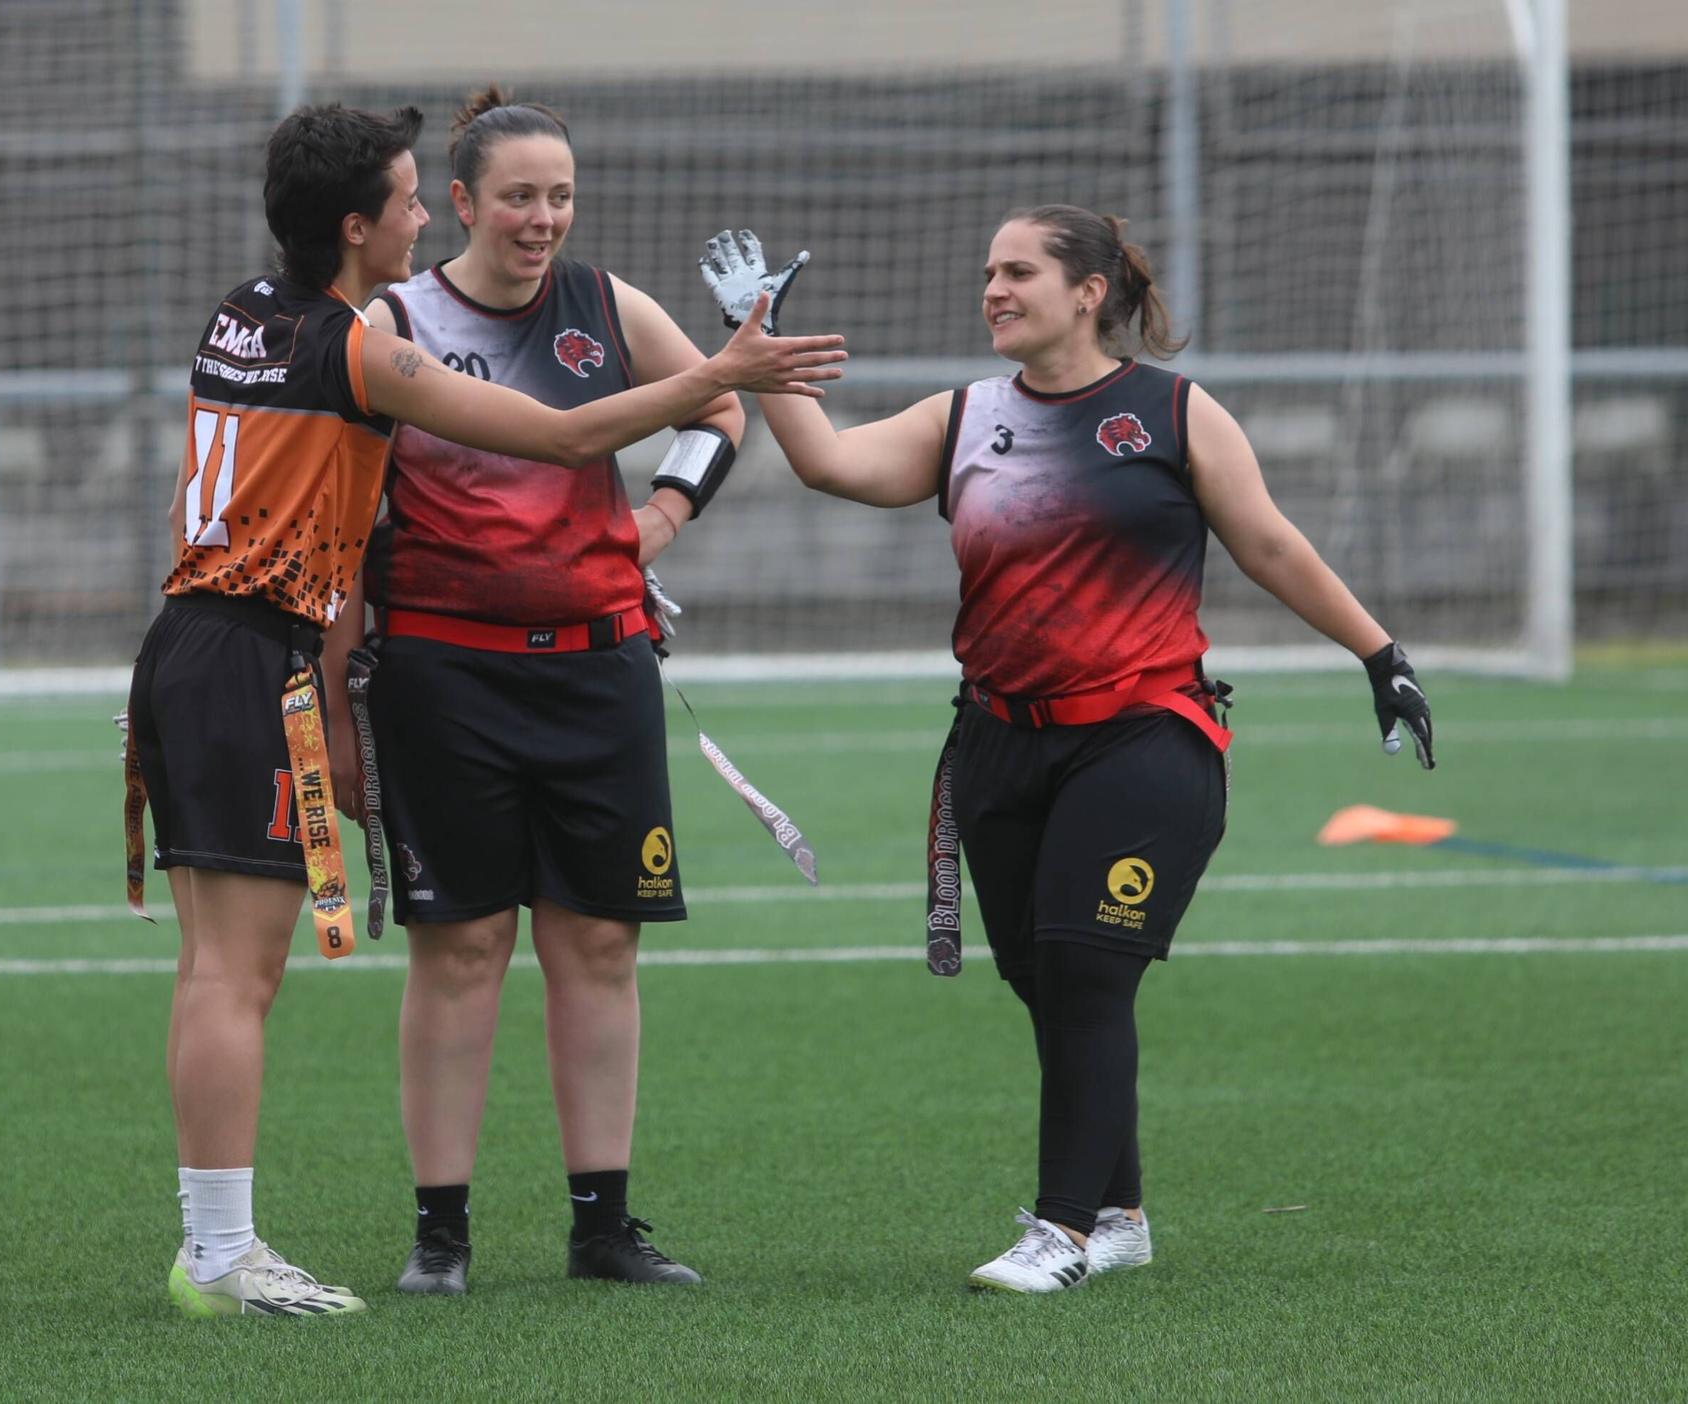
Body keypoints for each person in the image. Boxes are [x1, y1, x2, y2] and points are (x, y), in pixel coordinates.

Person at [125, 102, 843, 1321]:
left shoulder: (244, 310)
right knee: (233, 978)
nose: (424, 213)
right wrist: (721, 371)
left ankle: (231, 1246)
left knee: (224, 971)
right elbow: (562, 434)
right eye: (411, 199)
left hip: (204, 642)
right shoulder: (366, 344)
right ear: (364, 228)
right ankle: (219, 1254)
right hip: (261, 655)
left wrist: (662, 492)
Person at [699, 211, 1435, 1293]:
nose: (992, 289)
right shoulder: (964, 416)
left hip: (1145, 737)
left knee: (1087, 973)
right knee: (1046, 982)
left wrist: (1379, 654)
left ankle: (1063, 1231)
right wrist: (753, 341)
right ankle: (1121, 1211)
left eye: (1017, 271)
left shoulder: (1175, 412)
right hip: (1000, 743)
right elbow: (828, 462)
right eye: (987, 272)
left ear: (1087, 291)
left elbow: (1268, 541)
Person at [359, 87, 745, 1296]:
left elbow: (719, 401)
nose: (542, 220)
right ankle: (441, 1234)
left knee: (598, 943)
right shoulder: (393, 318)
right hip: (440, 675)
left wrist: (661, 519)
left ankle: (603, 1227)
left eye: (560, 196)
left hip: (597, 670)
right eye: (517, 196)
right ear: (460, 202)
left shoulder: (604, 303)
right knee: (461, 947)